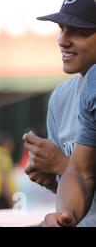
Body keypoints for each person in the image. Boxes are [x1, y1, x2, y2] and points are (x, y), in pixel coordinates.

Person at [23, 0, 96, 226]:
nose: (62, 40)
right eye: (62, 28)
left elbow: (78, 170)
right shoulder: (63, 98)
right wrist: (54, 180)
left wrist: (62, 165)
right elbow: (82, 175)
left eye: (77, 31)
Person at [42, 64, 96, 226]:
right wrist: (65, 216)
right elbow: (82, 171)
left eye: (79, 36)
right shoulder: (92, 82)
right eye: (62, 35)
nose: (63, 41)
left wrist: (63, 165)